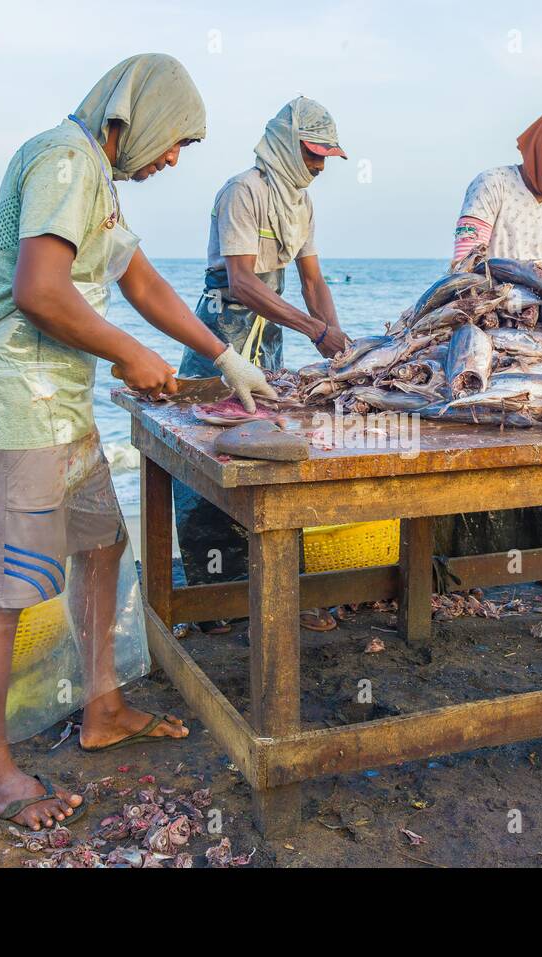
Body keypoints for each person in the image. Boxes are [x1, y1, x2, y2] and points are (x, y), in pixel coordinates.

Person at [0, 54, 272, 831]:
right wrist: (128, 353)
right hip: (15, 408)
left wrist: (222, 356)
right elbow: (38, 290)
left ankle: (103, 706)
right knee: (4, 589)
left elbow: (143, 284)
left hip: (62, 406)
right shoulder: (63, 161)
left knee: (104, 545)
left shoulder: (100, 186)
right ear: (135, 117)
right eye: (176, 141)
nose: (175, 158)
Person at [173, 96, 349, 631]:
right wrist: (313, 328)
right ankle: (213, 600)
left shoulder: (301, 202)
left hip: (268, 333)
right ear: (286, 144)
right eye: (313, 154)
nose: (318, 167)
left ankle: (270, 589)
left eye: (325, 158)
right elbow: (243, 282)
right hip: (222, 329)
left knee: (267, 448)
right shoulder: (243, 192)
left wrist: (339, 343)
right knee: (208, 454)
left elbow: (312, 281)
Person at [438, 109, 542, 560]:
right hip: (482, 322)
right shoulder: (491, 184)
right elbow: (465, 261)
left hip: (534, 331)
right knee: (482, 429)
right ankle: (467, 562)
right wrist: (509, 296)